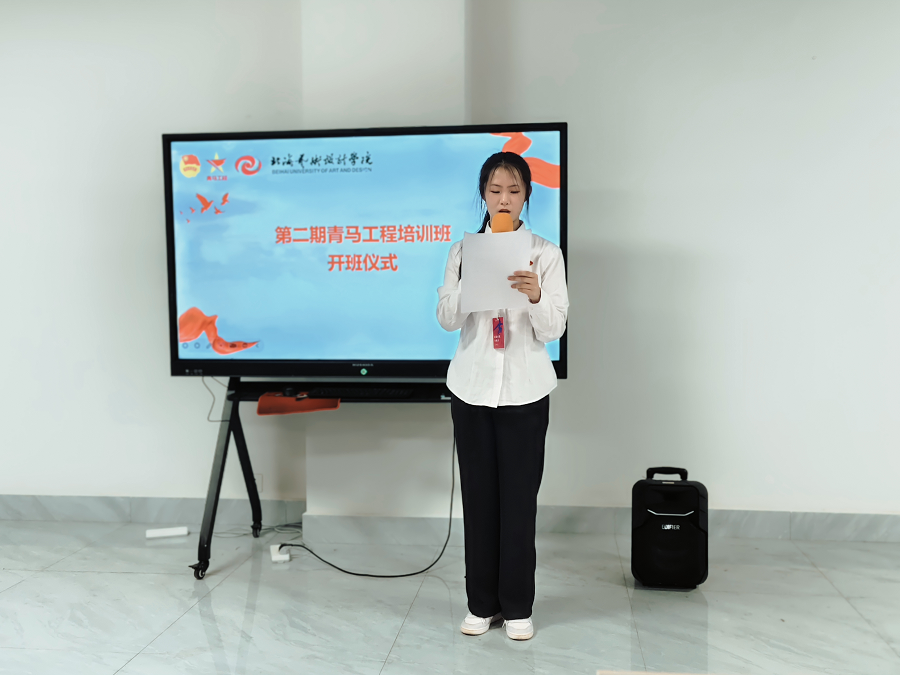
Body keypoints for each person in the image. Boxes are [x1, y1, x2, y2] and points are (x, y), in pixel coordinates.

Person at [435, 151, 569, 641]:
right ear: (483, 195)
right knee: (478, 500)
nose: (504, 199)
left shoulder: (546, 254)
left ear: (527, 195)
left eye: (514, 190)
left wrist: (535, 296)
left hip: (525, 391)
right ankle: (481, 604)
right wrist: (470, 287)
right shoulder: (462, 252)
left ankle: (516, 607)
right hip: (471, 388)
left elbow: (554, 329)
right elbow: (446, 318)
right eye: (495, 190)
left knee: (518, 502)